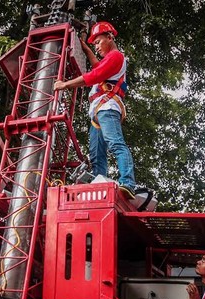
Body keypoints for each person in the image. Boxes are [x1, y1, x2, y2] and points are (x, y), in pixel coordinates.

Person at [53, 21, 136, 198]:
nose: (96, 46)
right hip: (99, 111)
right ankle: (99, 187)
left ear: (110, 37)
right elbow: (96, 66)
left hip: (107, 108)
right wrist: (85, 47)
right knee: (97, 156)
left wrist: (64, 85)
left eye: (98, 42)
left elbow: (94, 75)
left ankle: (128, 182)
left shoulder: (116, 56)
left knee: (115, 144)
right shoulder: (108, 60)